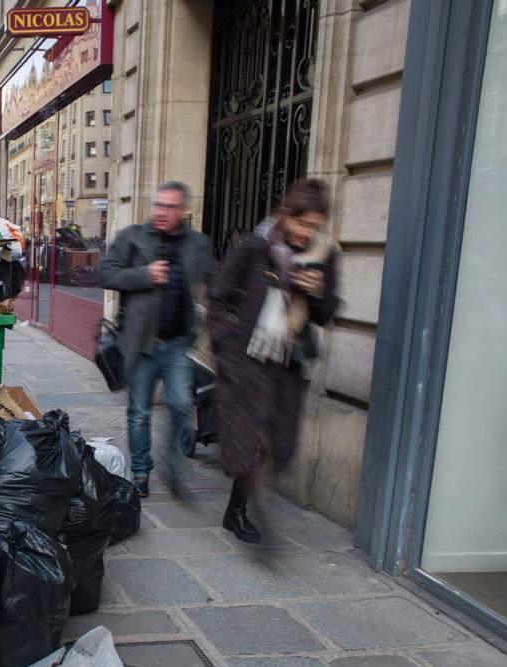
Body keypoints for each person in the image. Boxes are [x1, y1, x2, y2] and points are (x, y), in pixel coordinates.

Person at [205, 179, 340, 543]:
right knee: (254, 437)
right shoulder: (254, 247)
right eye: (302, 224)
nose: (307, 233)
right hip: (246, 360)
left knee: (273, 440)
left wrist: (318, 292)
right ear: (285, 216)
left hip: (287, 363)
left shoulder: (323, 256)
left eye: (315, 226)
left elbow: (327, 314)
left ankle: (239, 507)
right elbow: (218, 296)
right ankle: (245, 510)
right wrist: (222, 343)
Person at [97, 181, 217, 498]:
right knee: (139, 413)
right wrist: (145, 275)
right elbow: (106, 274)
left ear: (184, 210)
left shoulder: (198, 244)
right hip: (140, 345)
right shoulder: (133, 237)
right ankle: (140, 473)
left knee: (181, 404)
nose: (162, 212)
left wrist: (206, 293)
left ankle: (174, 468)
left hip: (178, 343)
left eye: (170, 206)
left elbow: (212, 282)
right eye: (158, 205)